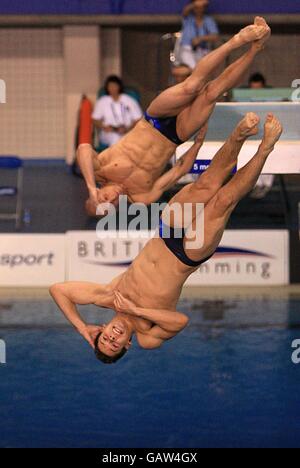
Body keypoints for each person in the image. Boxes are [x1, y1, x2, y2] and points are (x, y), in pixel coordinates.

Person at [51, 113, 283, 364]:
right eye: (115, 345)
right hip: (187, 255)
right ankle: (265, 148)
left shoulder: (108, 296)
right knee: (223, 200)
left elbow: (58, 290)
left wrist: (82, 328)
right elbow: (180, 321)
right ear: (126, 345)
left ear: (103, 329)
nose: (112, 339)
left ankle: (239, 135)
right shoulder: (145, 336)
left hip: (166, 233)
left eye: (105, 339)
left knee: (206, 183)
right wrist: (135, 311)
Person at [77, 18, 271, 215]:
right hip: (176, 135)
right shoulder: (141, 197)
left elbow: (83, 148)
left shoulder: (100, 167)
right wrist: (197, 144)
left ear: (98, 191)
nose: (112, 198)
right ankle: (255, 48)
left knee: (192, 86)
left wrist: (90, 186)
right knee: (212, 92)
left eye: (104, 197)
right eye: (112, 205)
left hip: (153, 120)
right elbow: (179, 170)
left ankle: (238, 39)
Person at [92, 75, 143, 147]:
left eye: (114, 86)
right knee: (115, 137)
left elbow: (138, 118)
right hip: (109, 132)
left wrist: (128, 129)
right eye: (110, 86)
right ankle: (116, 157)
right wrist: (104, 127)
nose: (112, 88)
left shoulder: (129, 100)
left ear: (119, 86)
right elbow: (95, 119)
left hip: (128, 130)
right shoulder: (102, 101)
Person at [248, 72, 275, 198]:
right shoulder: (244, 99)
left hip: (269, 134)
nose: (256, 92)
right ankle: (256, 184)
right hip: (252, 136)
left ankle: (266, 185)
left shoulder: (272, 97)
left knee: (269, 153)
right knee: (252, 153)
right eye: (253, 89)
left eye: (258, 89)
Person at [180, 0, 219, 69]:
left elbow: (215, 36)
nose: (198, 10)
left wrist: (200, 39)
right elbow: (185, 11)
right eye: (196, 8)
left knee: (203, 68)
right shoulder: (188, 18)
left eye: (201, 7)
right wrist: (196, 3)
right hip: (188, 49)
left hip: (202, 50)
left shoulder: (208, 20)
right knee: (192, 69)